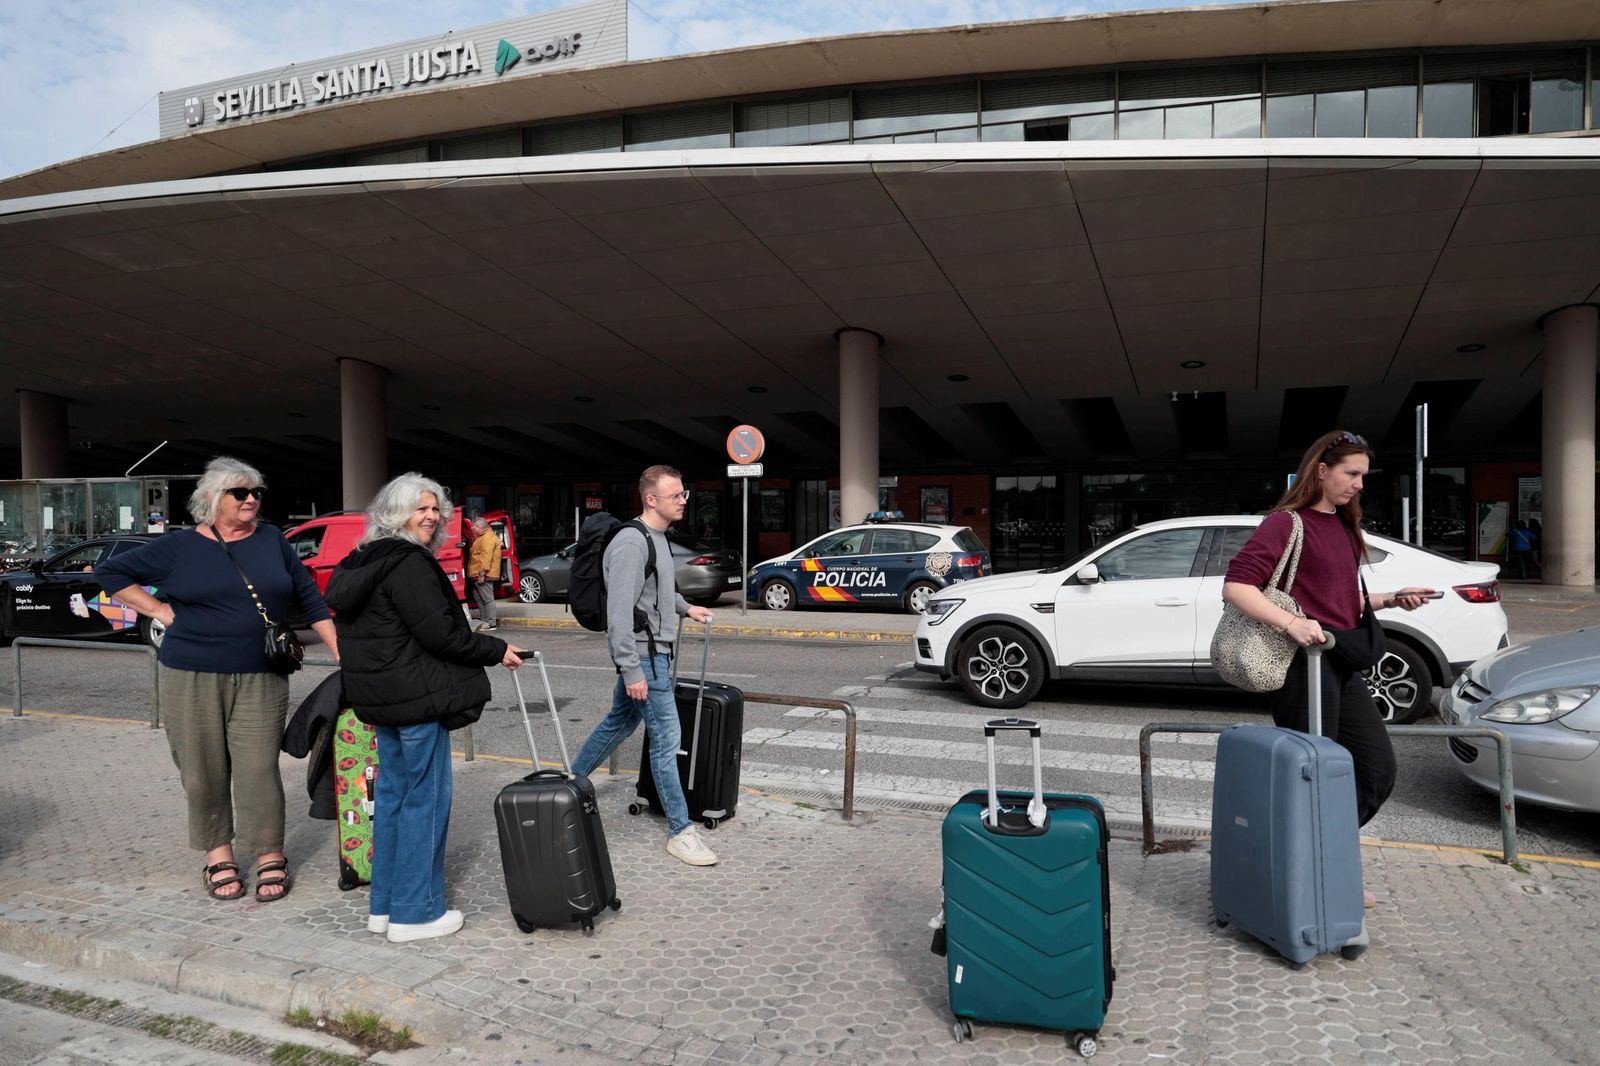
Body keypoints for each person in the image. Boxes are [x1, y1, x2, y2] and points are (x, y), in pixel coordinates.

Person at [97, 456, 338, 903]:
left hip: (262, 675)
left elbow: (309, 597)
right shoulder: (181, 547)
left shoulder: (272, 541)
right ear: (211, 499)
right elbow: (109, 572)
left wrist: (342, 651)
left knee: (259, 768)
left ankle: (268, 853)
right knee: (202, 770)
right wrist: (158, 610)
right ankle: (218, 854)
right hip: (189, 674)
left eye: (256, 493)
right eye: (240, 493)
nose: (252, 500)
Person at [1222, 430, 1435, 907]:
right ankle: (1317, 869)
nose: (1360, 484)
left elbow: (1340, 603)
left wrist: (1391, 600)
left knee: (1376, 769)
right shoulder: (1286, 524)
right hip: (1304, 667)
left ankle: (1310, 850)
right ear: (1322, 471)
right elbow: (1236, 586)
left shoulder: (1342, 525)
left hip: (1341, 661)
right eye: (1351, 473)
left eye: (1363, 475)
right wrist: (1291, 623)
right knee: (1316, 773)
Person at [325, 474, 526, 943]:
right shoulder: (408, 563)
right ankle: (416, 914)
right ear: (396, 513)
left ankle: (385, 907)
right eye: (421, 509)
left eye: (436, 509)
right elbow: (442, 634)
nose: (431, 517)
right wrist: (497, 650)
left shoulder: (362, 559)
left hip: (380, 701)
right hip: (415, 700)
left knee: (393, 802)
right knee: (425, 803)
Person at [569, 465, 719, 867]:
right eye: (675, 495)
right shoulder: (632, 543)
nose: (683, 500)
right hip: (644, 656)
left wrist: (688, 608)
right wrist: (631, 669)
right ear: (650, 499)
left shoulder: (656, 538)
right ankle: (680, 831)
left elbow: (659, 588)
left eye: (684, 493)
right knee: (667, 738)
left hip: (653, 651)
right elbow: (619, 612)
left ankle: (571, 782)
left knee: (619, 722)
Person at [466, 514, 501, 631]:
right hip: (478, 574)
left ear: (479, 527)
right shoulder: (483, 537)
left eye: (473, 528)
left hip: (485, 575)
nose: (473, 530)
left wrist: (482, 574)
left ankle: (491, 623)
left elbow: (486, 557)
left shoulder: (487, 538)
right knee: (479, 597)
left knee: (487, 599)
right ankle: (485, 620)